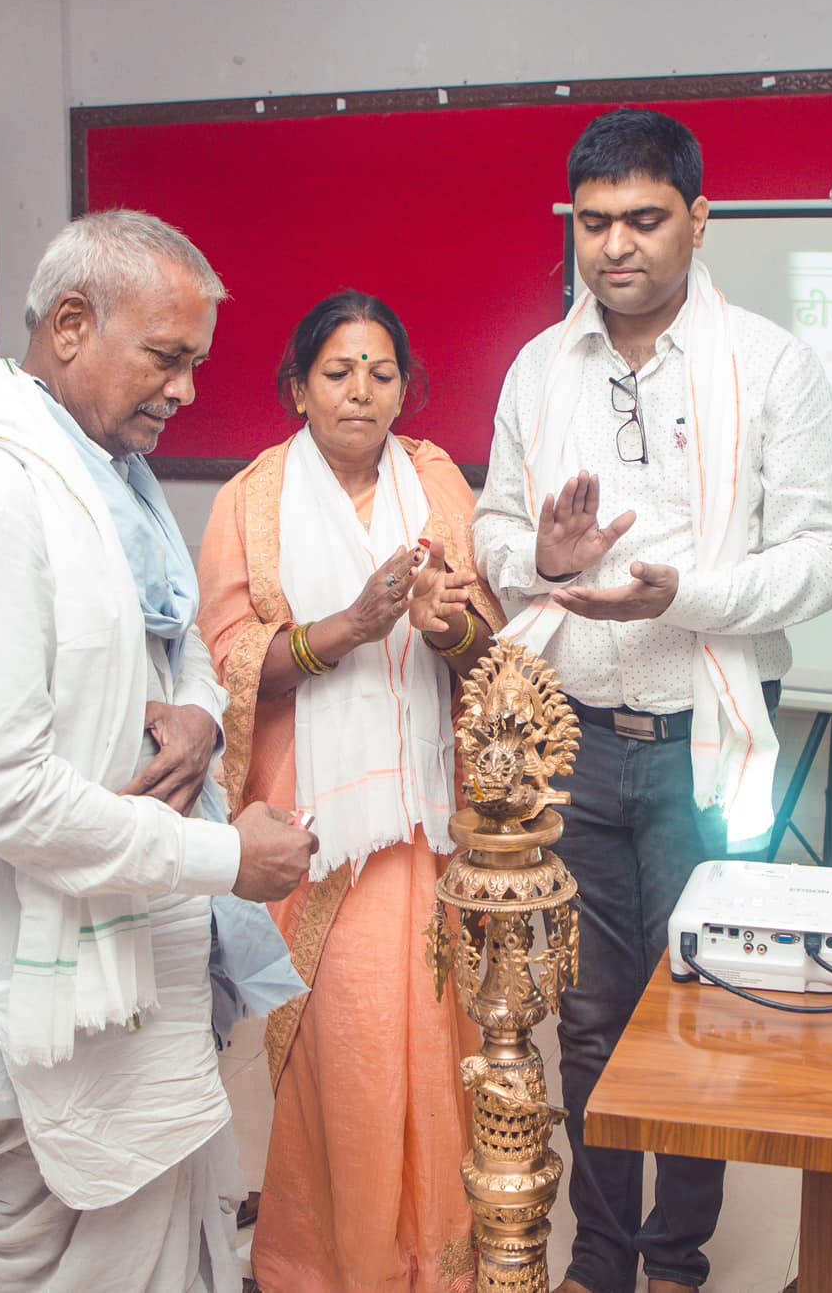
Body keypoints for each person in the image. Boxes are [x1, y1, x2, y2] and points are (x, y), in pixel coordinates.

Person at [0, 209, 318, 1293]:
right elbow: (0, 790)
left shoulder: (106, 480)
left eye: (196, 362)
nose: (186, 391)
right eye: (165, 356)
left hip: (110, 986)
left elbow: (172, 639)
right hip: (25, 1003)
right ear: (69, 325)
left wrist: (199, 713)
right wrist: (225, 860)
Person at [473, 109, 832, 1293]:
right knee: (586, 1017)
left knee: (698, 1008)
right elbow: (491, 533)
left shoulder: (771, 365)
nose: (615, 246)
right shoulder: (539, 369)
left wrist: (685, 596)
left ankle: (675, 1258)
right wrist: (536, 558)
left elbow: (823, 557)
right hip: (573, 745)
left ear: (699, 218)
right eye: (593, 223)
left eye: (643, 219)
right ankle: (600, 1259)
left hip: (713, 744)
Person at [196, 291, 500, 1293]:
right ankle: (335, 1266)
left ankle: (438, 1264)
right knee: (351, 1054)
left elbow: (487, 649)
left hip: (431, 822)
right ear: (298, 388)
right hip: (317, 830)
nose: (360, 391)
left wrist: (448, 626)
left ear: (405, 390)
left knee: (441, 1042)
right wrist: (348, 629)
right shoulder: (251, 502)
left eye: (380, 372)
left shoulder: (438, 482)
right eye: (337, 372)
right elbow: (228, 665)